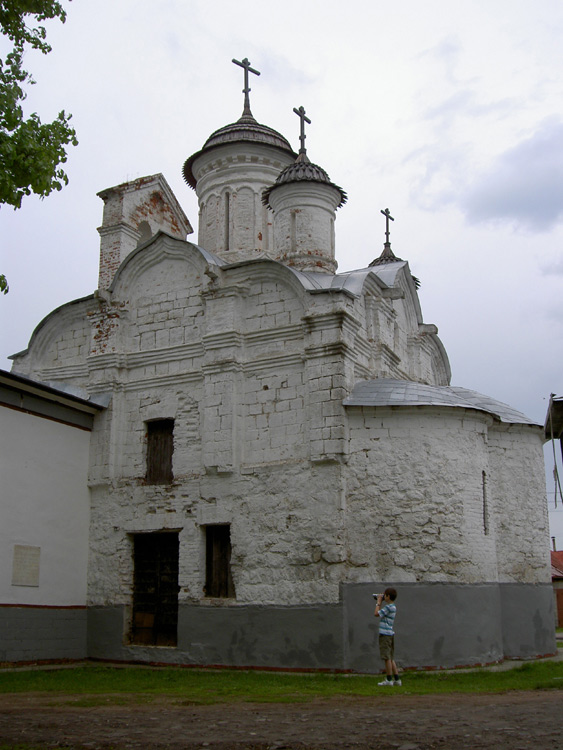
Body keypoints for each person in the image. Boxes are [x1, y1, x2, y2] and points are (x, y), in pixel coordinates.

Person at [374, 587, 401, 686]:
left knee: (387, 658)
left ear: (388, 596)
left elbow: (376, 613)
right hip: (390, 633)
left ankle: (389, 679)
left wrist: (378, 602)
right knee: (391, 657)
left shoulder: (388, 607)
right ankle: (397, 679)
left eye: (385, 595)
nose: (383, 596)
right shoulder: (393, 607)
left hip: (385, 634)